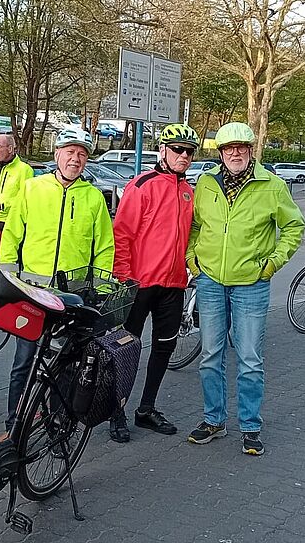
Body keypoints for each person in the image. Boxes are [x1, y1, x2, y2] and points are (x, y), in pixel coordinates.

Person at [186, 122, 305, 456]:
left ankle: (250, 426)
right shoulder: (207, 183)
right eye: (228, 148)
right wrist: (192, 258)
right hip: (210, 280)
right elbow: (194, 226)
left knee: (250, 359)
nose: (234, 153)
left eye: (240, 147)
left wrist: (272, 263)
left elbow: (294, 226)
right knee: (210, 356)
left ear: (251, 150)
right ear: (221, 153)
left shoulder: (272, 185)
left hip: (251, 284)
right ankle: (214, 420)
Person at [0, 128, 115, 438]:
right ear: (57, 154)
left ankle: (56, 423)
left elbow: (104, 247)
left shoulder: (93, 197)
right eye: (69, 152)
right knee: (24, 361)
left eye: (81, 154)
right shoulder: (32, 188)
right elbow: (11, 234)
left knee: (63, 364)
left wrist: (100, 289)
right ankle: (14, 425)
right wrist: (9, 276)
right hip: (33, 292)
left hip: (70, 297)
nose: (75, 159)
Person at [108, 123, 200, 443]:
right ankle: (116, 411)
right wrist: (123, 279)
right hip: (139, 284)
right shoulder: (141, 185)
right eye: (178, 150)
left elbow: (191, 237)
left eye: (190, 152)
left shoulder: (189, 190)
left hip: (173, 284)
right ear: (162, 150)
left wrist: (191, 267)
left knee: (164, 347)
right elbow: (122, 234)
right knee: (125, 350)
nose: (184, 156)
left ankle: (146, 409)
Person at [0, 134, 34, 274]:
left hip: (6, 226)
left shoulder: (24, 169)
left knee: (7, 268)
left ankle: (8, 294)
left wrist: (3, 204)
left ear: (10, 148)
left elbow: (26, 197)